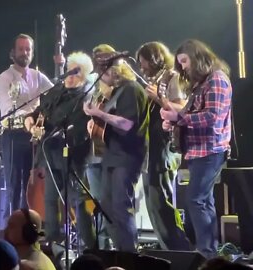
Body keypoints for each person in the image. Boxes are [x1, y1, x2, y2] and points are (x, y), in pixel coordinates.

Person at [160, 39, 232, 259]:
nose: (183, 67)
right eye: (180, 63)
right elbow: (191, 115)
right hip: (197, 150)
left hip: (211, 150)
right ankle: (208, 251)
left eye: (184, 61)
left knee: (196, 199)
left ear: (197, 57)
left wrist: (178, 117)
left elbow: (212, 116)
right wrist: (173, 122)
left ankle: (206, 252)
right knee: (202, 200)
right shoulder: (201, 84)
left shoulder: (217, 80)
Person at [24, 51, 96, 250]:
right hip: (50, 152)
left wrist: (50, 130)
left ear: (83, 76)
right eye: (68, 72)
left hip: (73, 155)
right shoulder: (56, 90)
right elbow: (38, 113)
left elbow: (79, 129)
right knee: (49, 197)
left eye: (75, 74)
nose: (69, 77)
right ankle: (52, 242)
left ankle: (89, 246)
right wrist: (31, 123)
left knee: (77, 200)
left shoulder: (86, 96)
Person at [83, 52, 149, 252]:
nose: (101, 78)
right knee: (107, 208)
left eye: (103, 73)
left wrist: (98, 114)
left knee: (121, 206)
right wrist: (95, 123)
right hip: (112, 155)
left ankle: (130, 255)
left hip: (128, 156)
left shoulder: (131, 89)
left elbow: (127, 123)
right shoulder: (116, 91)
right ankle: (120, 252)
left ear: (113, 71)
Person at [135, 41, 191, 250]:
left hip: (165, 148)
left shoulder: (172, 77)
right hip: (150, 150)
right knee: (152, 204)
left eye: (144, 63)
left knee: (162, 202)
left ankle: (181, 250)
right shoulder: (154, 80)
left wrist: (159, 98)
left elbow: (183, 108)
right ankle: (169, 248)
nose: (142, 69)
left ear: (155, 58)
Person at [0, 33, 54, 218]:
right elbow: (7, 110)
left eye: (28, 49)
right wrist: (29, 117)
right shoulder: (4, 78)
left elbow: (55, 94)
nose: (25, 52)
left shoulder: (38, 76)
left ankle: (32, 224)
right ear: (12, 52)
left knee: (33, 185)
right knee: (14, 186)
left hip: (34, 138)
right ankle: (11, 228)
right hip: (13, 136)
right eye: (21, 49)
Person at [85, 43, 116, 250]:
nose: (101, 64)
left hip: (111, 153)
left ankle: (110, 245)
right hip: (92, 153)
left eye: (106, 59)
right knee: (98, 202)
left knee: (110, 202)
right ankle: (100, 246)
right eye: (98, 60)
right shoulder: (92, 84)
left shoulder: (119, 84)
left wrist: (98, 116)